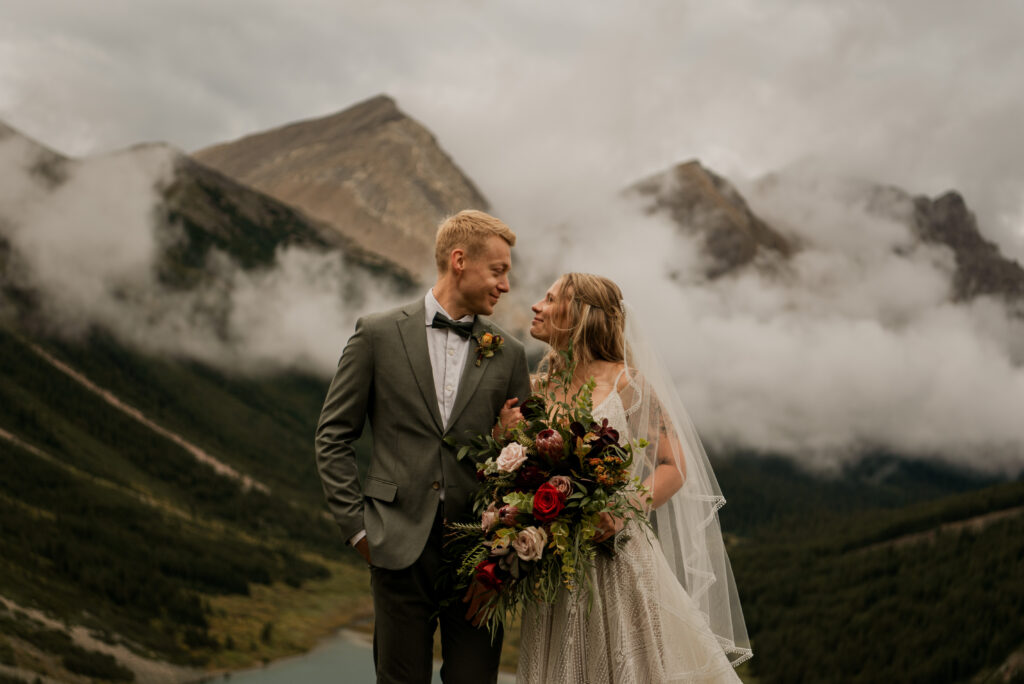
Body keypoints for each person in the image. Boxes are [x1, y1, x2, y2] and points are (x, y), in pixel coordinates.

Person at [315, 210, 532, 684]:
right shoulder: (376, 333)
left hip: (479, 559)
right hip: (395, 547)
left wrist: (503, 553)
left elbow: (526, 465)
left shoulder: (509, 352)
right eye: (498, 270)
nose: (506, 285)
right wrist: (358, 531)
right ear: (459, 261)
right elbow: (333, 436)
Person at [513, 273, 752, 683]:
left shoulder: (628, 383)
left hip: (617, 559)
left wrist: (624, 509)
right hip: (556, 564)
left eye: (550, 298)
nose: (536, 305)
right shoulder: (537, 389)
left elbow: (674, 466)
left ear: (581, 315)